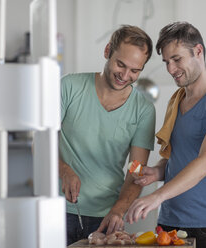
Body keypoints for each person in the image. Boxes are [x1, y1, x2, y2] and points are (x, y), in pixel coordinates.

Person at [125, 21, 206, 248]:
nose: (170, 69)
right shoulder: (175, 102)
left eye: (177, 59)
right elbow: (174, 157)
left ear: (198, 51)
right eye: (166, 62)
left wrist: (157, 196)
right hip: (168, 224)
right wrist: (157, 172)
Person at [59, 25, 156, 245]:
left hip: (104, 218)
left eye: (135, 70)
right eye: (120, 64)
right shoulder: (69, 87)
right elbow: (39, 142)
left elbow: (136, 169)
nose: (125, 75)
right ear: (107, 51)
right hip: (55, 209)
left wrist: (118, 211)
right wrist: (64, 170)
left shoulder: (144, 111)